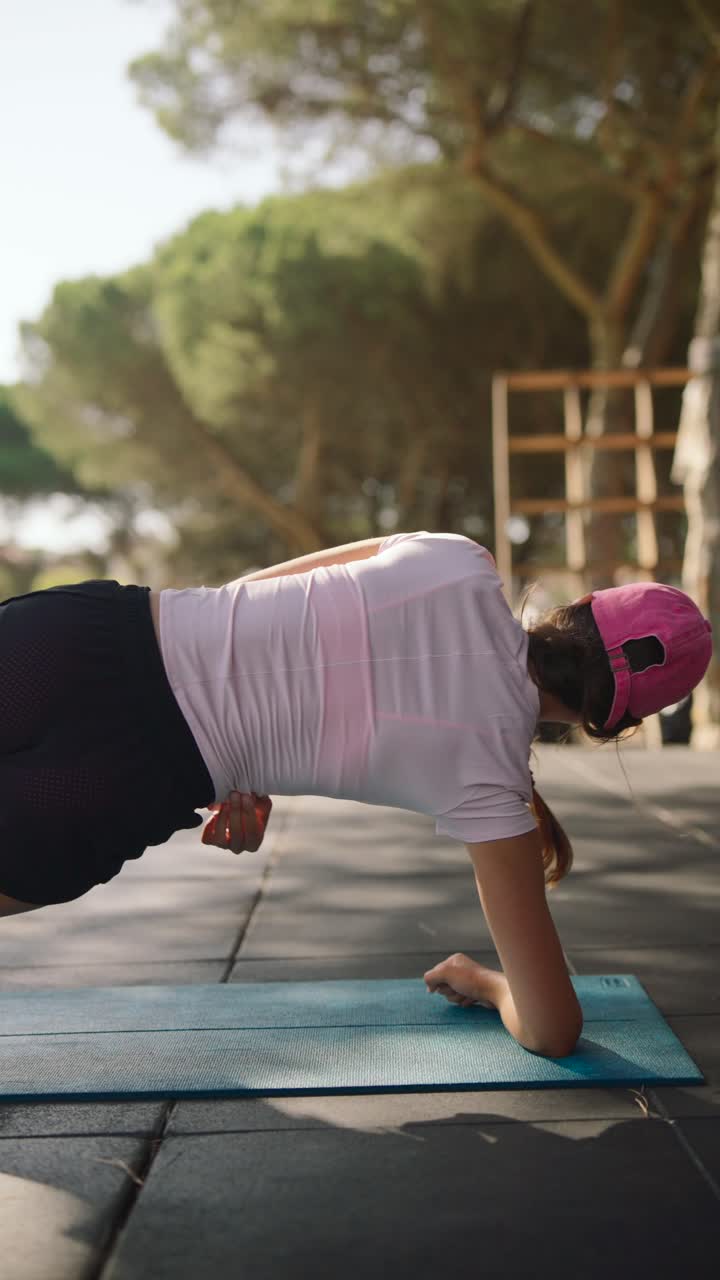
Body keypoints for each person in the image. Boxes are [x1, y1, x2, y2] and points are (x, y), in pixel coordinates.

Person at [0, 531, 712, 1059]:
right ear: (617, 721)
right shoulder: (492, 785)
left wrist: (240, 745)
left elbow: (258, 593)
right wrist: (487, 982)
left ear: (580, 606)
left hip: (82, 635)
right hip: (132, 773)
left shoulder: (458, 559)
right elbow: (553, 1029)